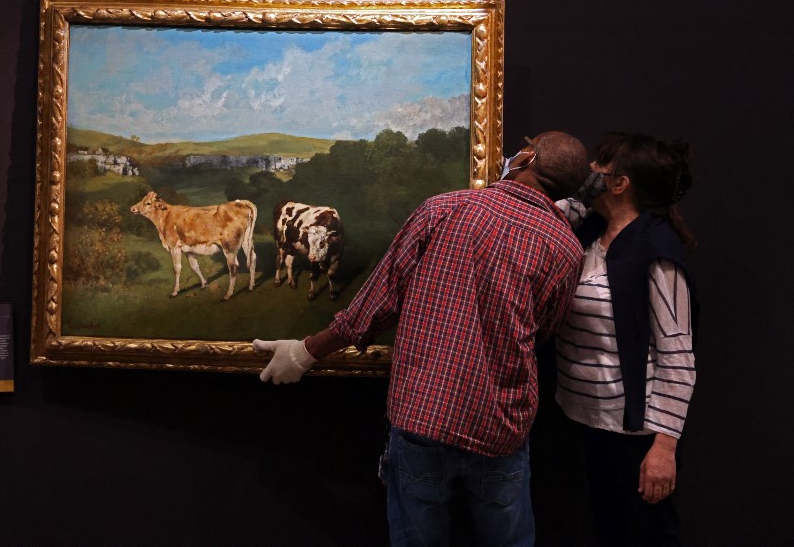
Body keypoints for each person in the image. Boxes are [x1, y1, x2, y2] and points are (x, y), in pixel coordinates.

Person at [254, 131, 591, 546]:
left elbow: (377, 301)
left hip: (424, 418)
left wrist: (306, 351)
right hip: (500, 425)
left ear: (526, 158)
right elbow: (544, 329)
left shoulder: (444, 209)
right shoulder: (567, 249)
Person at [554, 132, 698, 546]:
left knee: (641, 535)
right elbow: (547, 215)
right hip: (583, 420)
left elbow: (678, 357)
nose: (590, 171)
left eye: (600, 164)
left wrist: (664, 450)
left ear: (620, 184)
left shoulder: (655, 251)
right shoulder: (590, 231)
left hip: (633, 438)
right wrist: (577, 198)